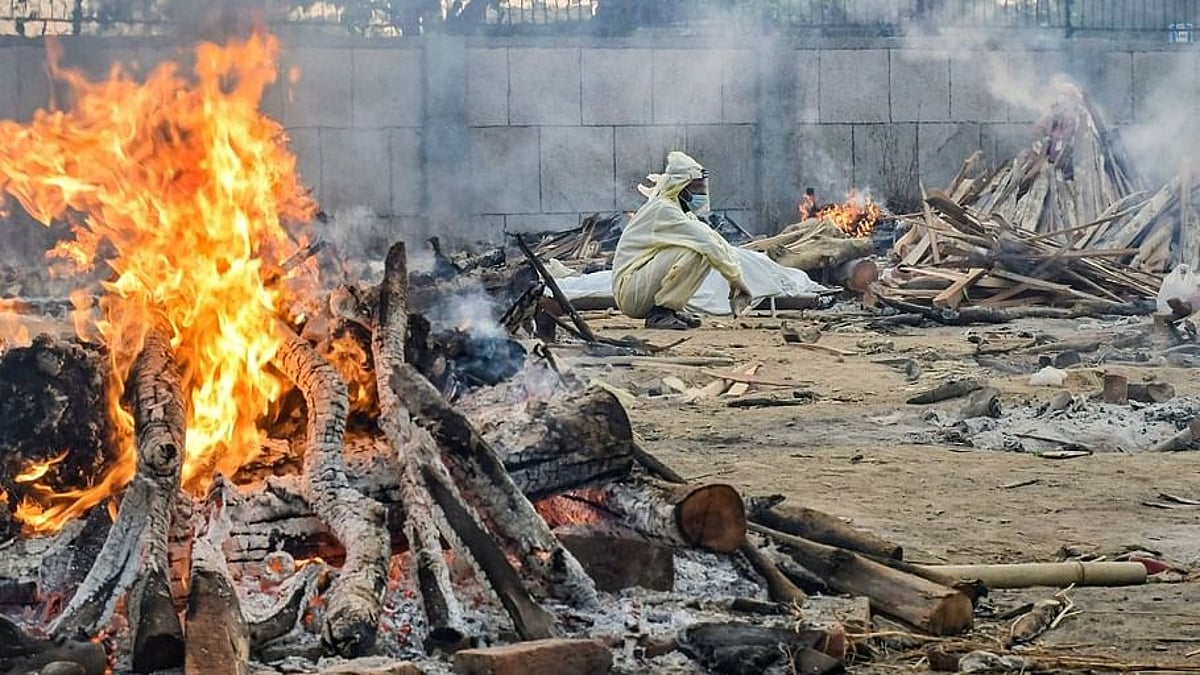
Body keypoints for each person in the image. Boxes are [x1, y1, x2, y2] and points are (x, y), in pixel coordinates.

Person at [612, 151, 751, 329]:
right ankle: (661, 313)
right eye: (696, 187)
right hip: (630, 293)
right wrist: (736, 280)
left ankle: (671, 309)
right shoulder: (663, 209)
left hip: (638, 289)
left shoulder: (682, 213)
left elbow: (714, 239)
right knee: (696, 250)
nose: (702, 192)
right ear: (681, 186)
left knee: (703, 250)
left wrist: (735, 276)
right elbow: (706, 243)